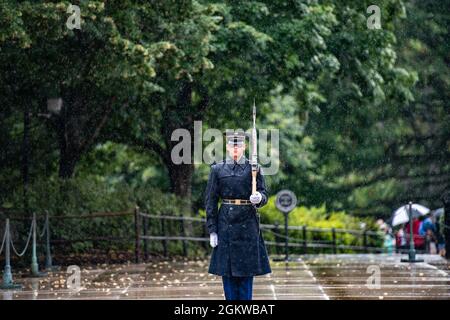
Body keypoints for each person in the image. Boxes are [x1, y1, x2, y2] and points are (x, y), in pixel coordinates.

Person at [204, 130, 271, 300]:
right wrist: (212, 229)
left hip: (248, 223)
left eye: (239, 145)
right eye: (232, 145)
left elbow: (264, 194)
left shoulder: (253, 168)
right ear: (227, 147)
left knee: (246, 273)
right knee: (228, 273)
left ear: (244, 147)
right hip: (225, 223)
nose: (235, 149)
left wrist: (259, 198)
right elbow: (210, 200)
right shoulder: (217, 169)